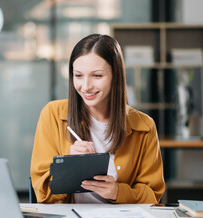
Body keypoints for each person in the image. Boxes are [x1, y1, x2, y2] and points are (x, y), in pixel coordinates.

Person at [30, 34, 165, 204]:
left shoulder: (144, 126)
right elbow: (43, 195)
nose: (85, 86)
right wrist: (68, 166)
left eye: (97, 76)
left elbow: (152, 196)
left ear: (116, 76)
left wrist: (117, 192)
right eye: (78, 75)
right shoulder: (52, 115)